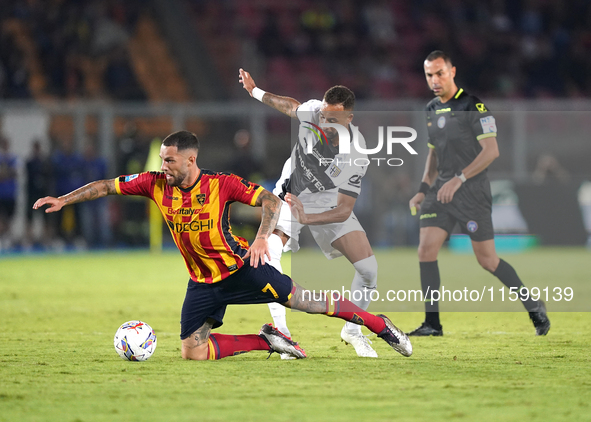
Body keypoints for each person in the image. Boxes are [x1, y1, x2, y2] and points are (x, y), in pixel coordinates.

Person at [34, 130, 412, 360]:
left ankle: (381, 325)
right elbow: (106, 186)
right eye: (163, 160)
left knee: (307, 303)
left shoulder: (222, 183)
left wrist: (262, 237)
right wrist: (64, 200)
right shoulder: (154, 183)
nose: (163, 166)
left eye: (170, 161)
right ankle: (267, 342)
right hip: (202, 283)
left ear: (191, 159)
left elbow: (270, 200)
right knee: (193, 351)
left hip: (241, 269)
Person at [239, 69, 381, 358]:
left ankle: (352, 330)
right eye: (325, 116)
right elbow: (290, 105)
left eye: (334, 119)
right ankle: (283, 337)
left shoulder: (357, 152)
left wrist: (309, 219)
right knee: (270, 253)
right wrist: (255, 91)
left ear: (349, 119)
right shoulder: (314, 112)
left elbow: (344, 209)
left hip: (328, 205)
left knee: (369, 271)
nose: (326, 123)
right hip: (292, 196)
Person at [407, 51, 550, 337]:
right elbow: (433, 155)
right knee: (425, 249)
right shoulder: (431, 109)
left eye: (440, 73)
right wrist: (423, 190)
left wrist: (459, 179)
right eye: (429, 75)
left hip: (471, 192)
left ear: (452, 71)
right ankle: (432, 324)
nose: (434, 80)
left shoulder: (474, 106)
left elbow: (491, 151)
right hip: (441, 192)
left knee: (487, 260)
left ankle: (533, 305)